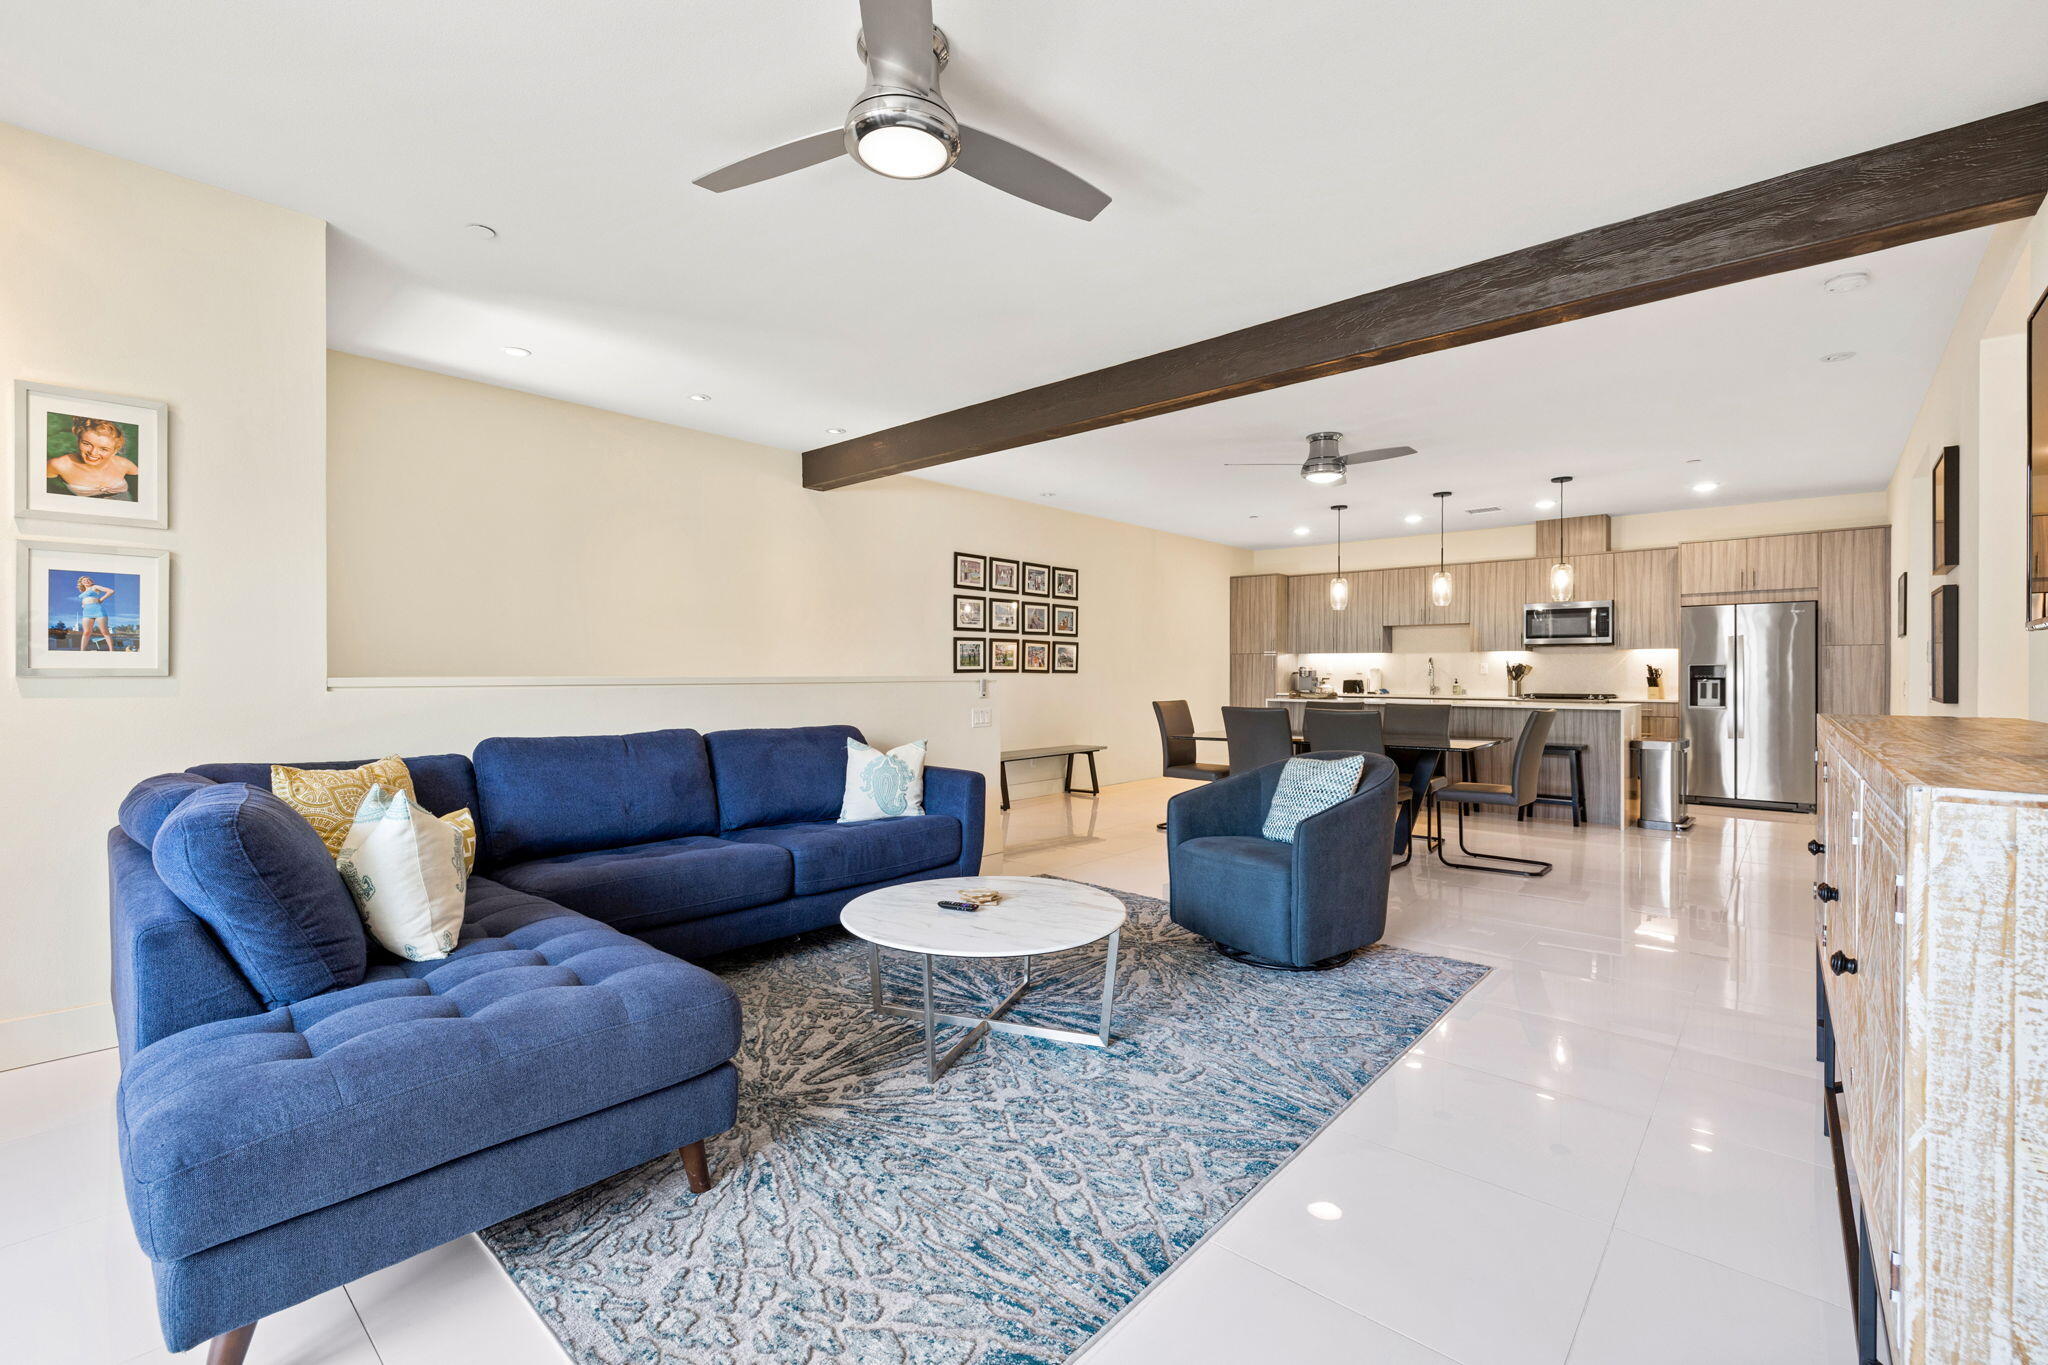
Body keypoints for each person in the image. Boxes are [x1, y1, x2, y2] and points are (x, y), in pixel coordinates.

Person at [46, 417, 138, 500]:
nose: (93, 453)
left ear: (114, 451)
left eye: (104, 449)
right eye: (86, 444)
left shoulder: (125, 465)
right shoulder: (59, 465)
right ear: (78, 440)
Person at [74, 576, 116, 651]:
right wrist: (83, 604)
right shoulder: (83, 592)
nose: (86, 581)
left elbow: (111, 591)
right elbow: (85, 600)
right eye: (84, 580)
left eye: (88, 580)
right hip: (86, 613)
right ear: (82, 583)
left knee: (104, 631)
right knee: (86, 632)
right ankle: (82, 651)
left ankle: (112, 651)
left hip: (98, 610)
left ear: (91, 582)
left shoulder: (95, 587)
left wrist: (101, 599)